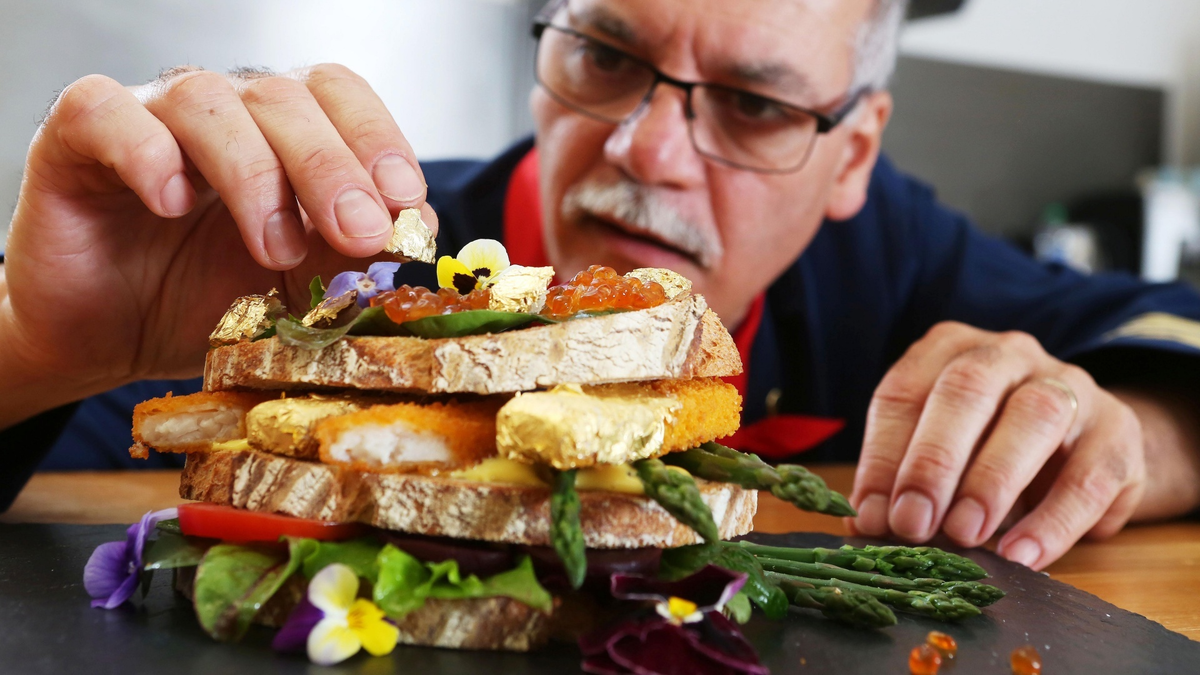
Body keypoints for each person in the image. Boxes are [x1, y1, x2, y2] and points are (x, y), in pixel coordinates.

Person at [2, 0, 1198, 571]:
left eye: (756, 104)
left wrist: (1136, 429)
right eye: (608, 55)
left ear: (857, 153)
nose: (648, 151)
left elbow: (1168, 343)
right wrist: (40, 344)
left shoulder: (895, 254)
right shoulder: (315, 267)